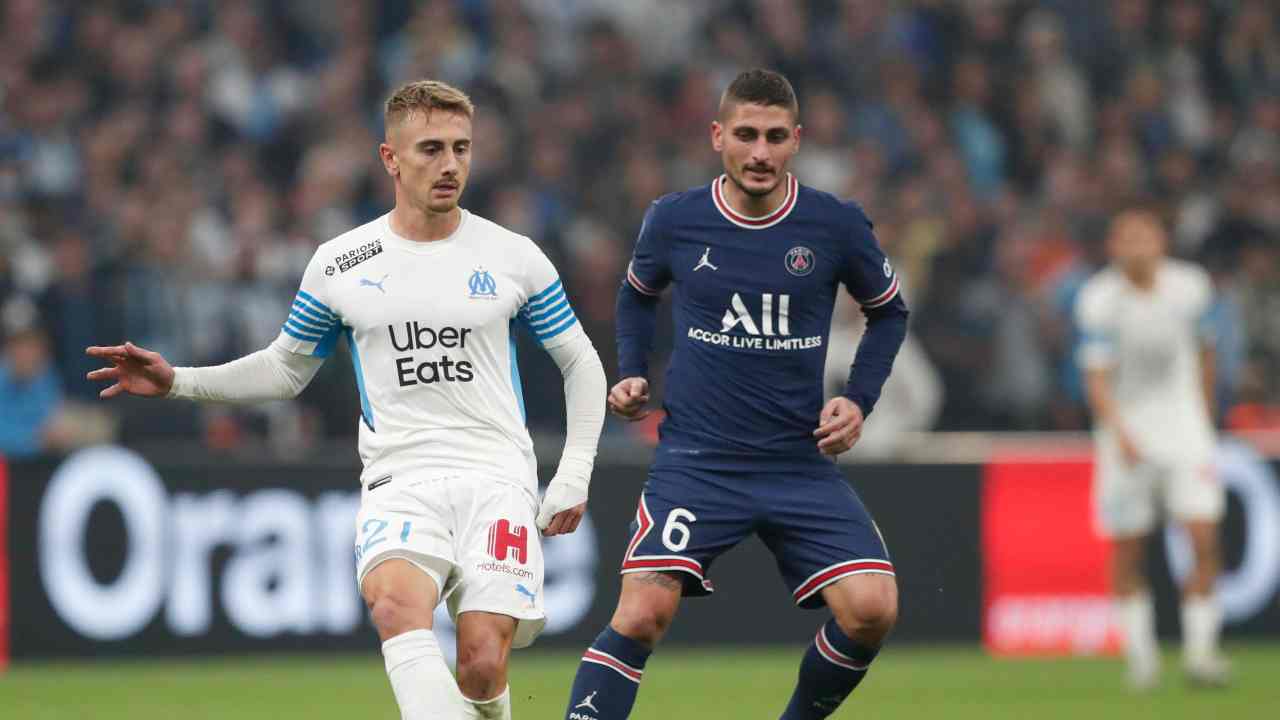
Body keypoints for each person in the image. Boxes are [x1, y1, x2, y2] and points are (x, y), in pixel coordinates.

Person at [88, 80, 607, 720]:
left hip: (496, 474)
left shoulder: (513, 256)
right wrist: (179, 381)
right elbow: (285, 370)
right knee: (393, 605)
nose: (449, 165)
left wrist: (574, 473)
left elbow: (581, 361)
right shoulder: (341, 264)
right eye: (430, 149)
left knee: (480, 662)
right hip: (399, 476)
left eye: (462, 149)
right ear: (390, 158)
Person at [562, 69, 908, 720]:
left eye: (775, 137)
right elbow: (637, 294)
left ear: (796, 140)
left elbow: (889, 312)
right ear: (718, 136)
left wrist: (859, 398)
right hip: (699, 461)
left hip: (797, 461)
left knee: (872, 610)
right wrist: (632, 369)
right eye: (746, 134)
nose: (760, 152)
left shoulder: (833, 224)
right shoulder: (675, 220)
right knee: (642, 614)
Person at [1076, 209, 1229, 690]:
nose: (1136, 247)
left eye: (1144, 237)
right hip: (1126, 436)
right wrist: (1120, 435)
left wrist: (1202, 420)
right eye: (1126, 238)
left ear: (1161, 241)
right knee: (1128, 550)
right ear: (1113, 246)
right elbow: (1095, 377)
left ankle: (1201, 656)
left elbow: (1207, 353)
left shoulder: (1191, 286)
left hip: (1185, 431)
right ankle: (1142, 661)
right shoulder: (1098, 298)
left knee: (1204, 539)